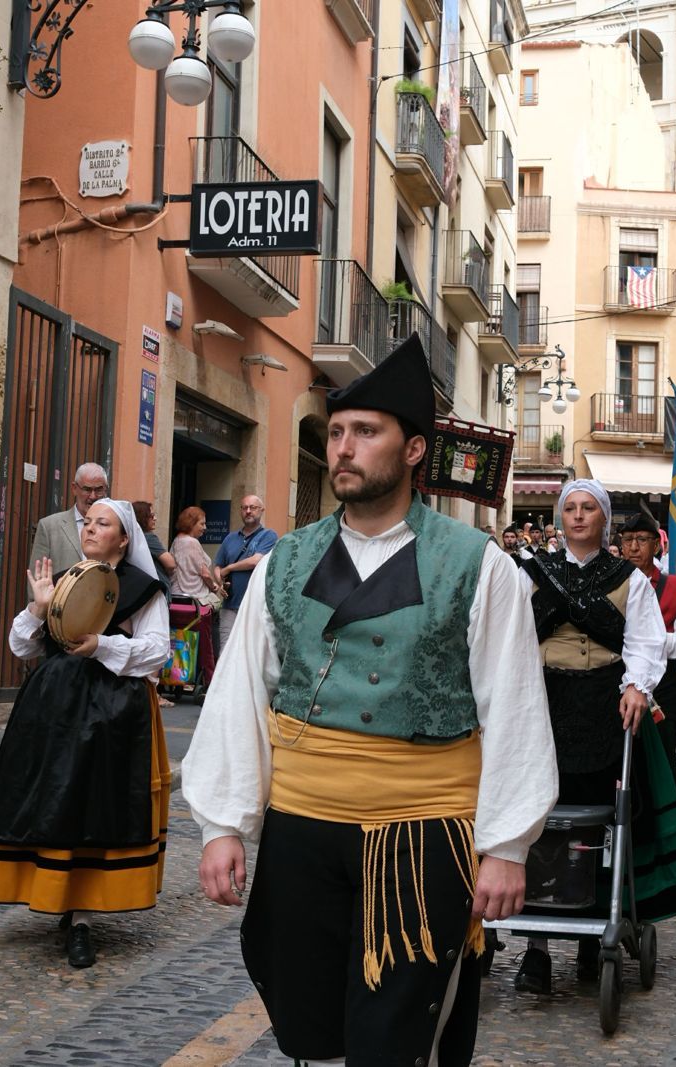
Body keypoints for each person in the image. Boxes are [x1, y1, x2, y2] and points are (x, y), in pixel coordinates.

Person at [182, 337, 557, 1064]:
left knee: (400, 1037)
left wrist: (506, 846)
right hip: (301, 830)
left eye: (367, 431)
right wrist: (222, 824)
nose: (345, 448)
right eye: (338, 431)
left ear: (415, 448)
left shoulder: (478, 565)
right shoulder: (286, 561)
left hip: (421, 833)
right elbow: (239, 693)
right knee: (309, 1023)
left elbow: (513, 707)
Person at [515, 483, 676, 992]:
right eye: (570, 509)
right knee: (537, 820)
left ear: (603, 520)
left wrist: (637, 687)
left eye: (588, 509)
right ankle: (535, 948)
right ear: (560, 518)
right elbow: (510, 637)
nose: (578, 517)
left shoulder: (628, 579)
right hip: (543, 704)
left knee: (600, 822)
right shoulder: (530, 572)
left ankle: (591, 938)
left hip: (605, 705)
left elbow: (645, 641)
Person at [0, 499, 171, 969]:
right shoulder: (63, 577)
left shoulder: (143, 589)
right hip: (53, 709)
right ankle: (56, 896)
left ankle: (83, 917)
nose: (89, 529)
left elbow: (157, 652)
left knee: (93, 805)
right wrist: (41, 609)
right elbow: (21, 644)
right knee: (51, 800)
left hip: (112, 715)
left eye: (102, 524)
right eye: (87, 521)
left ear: (124, 539)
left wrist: (101, 645)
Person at [618, 512, 676, 814]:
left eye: (642, 540)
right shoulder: (611, 582)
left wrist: (649, 642)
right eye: (628, 540)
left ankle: (673, 824)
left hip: (662, 689)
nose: (634, 547)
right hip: (619, 685)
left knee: (663, 761)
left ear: (656, 545)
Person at [212, 495, 278, 654]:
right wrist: (220, 581)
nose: (248, 511)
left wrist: (229, 569)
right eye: (244, 508)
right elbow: (217, 565)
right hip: (229, 606)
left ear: (261, 510)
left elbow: (256, 561)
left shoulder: (269, 535)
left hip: (255, 606)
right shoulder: (230, 538)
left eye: (253, 507)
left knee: (250, 654)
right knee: (225, 652)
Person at [171, 505, 224, 685]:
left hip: (177, 600)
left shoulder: (177, 541)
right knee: (206, 645)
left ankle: (177, 674)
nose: (205, 527)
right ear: (191, 523)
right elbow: (205, 573)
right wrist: (216, 588)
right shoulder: (192, 543)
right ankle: (211, 679)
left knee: (178, 639)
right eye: (202, 523)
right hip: (196, 603)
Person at [30, 462, 108, 574]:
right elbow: (36, 577)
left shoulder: (115, 527)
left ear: (105, 490)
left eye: (99, 490)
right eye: (87, 489)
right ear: (74, 488)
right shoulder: (49, 527)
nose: (93, 496)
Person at [133, 500, 176, 593]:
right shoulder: (149, 537)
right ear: (142, 518)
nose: (155, 518)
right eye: (151, 516)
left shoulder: (132, 536)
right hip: (157, 587)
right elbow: (170, 564)